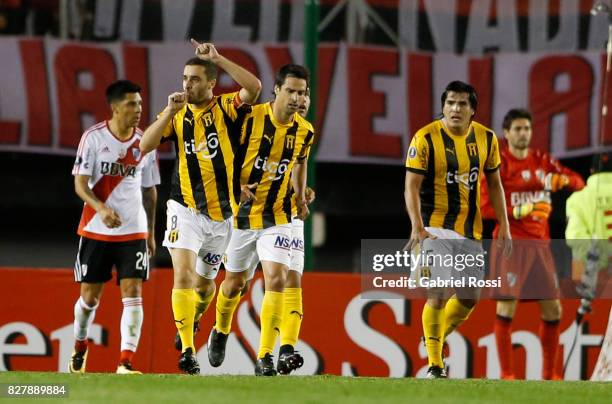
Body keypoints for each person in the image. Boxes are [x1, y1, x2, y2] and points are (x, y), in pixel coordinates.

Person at [139, 39, 261, 375]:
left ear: (210, 83)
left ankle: (193, 320)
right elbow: (145, 145)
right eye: (184, 78)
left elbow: (254, 87)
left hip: (222, 215)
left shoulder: (226, 107)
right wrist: (167, 111)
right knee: (183, 275)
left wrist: (219, 58)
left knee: (206, 286)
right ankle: (188, 352)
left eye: (194, 79)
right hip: (184, 208)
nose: (186, 84)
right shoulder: (176, 115)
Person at [206, 64, 314, 376]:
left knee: (277, 278)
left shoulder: (305, 131)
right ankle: (221, 329)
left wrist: (299, 193)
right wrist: (235, 186)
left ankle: (265, 356)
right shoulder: (250, 118)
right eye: (291, 91)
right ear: (277, 90)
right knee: (233, 284)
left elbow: (300, 162)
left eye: (302, 93)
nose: (296, 98)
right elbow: (222, 155)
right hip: (241, 217)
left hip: (278, 216)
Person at [404, 80, 512, 379]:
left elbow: (494, 184)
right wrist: (416, 226)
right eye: (450, 102)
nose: (455, 108)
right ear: (443, 106)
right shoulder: (425, 138)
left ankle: (433, 337)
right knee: (437, 293)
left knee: (469, 297)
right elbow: (410, 186)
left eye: (462, 103)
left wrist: (504, 223)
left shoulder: (487, 139)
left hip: (469, 230)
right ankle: (436, 365)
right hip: (433, 227)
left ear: (473, 110)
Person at [481, 108, 585, 380]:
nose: (523, 133)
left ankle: (550, 375)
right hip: (511, 245)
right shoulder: (498, 164)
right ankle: (507, 375)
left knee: (554, 309)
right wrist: (519, 211)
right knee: (506, 306)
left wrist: (561, 180)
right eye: (517, 129)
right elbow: (482, 206)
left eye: (526, 128)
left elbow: (579, 182)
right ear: (506, 133)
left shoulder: (542, 161)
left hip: (541, 246)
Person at [70, 80, 159, 374]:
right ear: (115, 107)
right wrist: (101, 208)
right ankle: (80, 344)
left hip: (133, 231)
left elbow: (150, 191)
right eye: (132, 104)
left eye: (140, 104)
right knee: (89, 298)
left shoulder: (146, 141)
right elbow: (80, 185)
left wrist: (151, 233)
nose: (138, 110)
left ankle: (125, 363)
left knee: (133, 290)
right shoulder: (93, 138)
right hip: (96, 229)